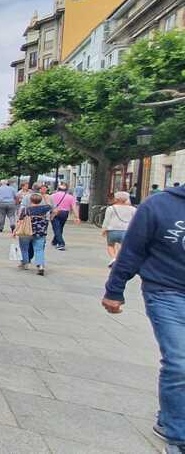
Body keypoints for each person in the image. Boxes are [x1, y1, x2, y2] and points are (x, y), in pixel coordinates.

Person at [101, 184, 185, 453]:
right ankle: (178, 436)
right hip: (166, 291)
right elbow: (133, 250)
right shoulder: (159, 205)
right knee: (180, 362)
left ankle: (169, 416)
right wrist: (115, 289)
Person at [14, 193, 51, 275]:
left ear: (30, 200)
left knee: (24, 248)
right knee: (39, 249)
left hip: (26, 232)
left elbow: (20, 221)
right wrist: (45, 197)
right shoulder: (44, 208)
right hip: (40, 232)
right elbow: (49, 205)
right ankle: (40, 265)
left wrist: (15, 231)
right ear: (40, 201)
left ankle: (25, 263)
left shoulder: (26, 210)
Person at [101, 191, 136, 268]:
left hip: (112, 230)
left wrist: (104, 229)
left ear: (116, 198)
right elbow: (136, 221)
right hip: (126, 231)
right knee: (123, 246)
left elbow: (106, 220)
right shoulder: (133, 209)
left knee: (110, 245)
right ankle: (119, 259)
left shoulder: (111, 208)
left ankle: (114, 258)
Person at [50, 184, 80, 251]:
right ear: (66, 190)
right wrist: (77, 217)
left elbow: (48, 205)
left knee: (56, 228)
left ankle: (61, 243)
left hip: (54, 212)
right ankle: (55, 241)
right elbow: (74, 207)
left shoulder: (52, 196)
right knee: (60, 227)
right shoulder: (70, 197)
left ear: (57, 189)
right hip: (65, 213)